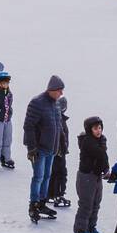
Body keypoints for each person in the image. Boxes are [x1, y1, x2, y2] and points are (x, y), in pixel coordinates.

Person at [23, 76, 64, 225]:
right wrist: (32, 148)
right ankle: (33, 205)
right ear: (52, 90)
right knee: (38, 176)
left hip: (51, 149)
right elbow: (28, 126)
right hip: (39, 149)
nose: (61, 94)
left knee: (47, 176)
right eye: (59, 91)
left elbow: (58, 127)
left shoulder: (56, 104)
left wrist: (60, 145)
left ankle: (42, 202)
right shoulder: (37, 103)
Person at [73, 116, 109, 233]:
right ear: (89, 129)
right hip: (86, 177)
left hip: (96, 176)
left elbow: (103, 158)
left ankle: (91, 228)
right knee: (86, 205)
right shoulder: (88, 142)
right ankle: (80, 232)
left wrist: (106, 169)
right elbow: (100, 154)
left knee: (95, 204)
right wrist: (103, 143)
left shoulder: (99, 141)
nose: (99, 131)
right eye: (95, 128)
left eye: (100, 128)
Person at [46, 82, 72, 211]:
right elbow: (61, 136)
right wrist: (63, 149)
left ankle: (50, 194)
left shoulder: (55, 117)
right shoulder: (60, 120)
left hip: (54, 150)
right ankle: (59, 195)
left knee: (53, 172)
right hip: (59, 151)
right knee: (61, 173)